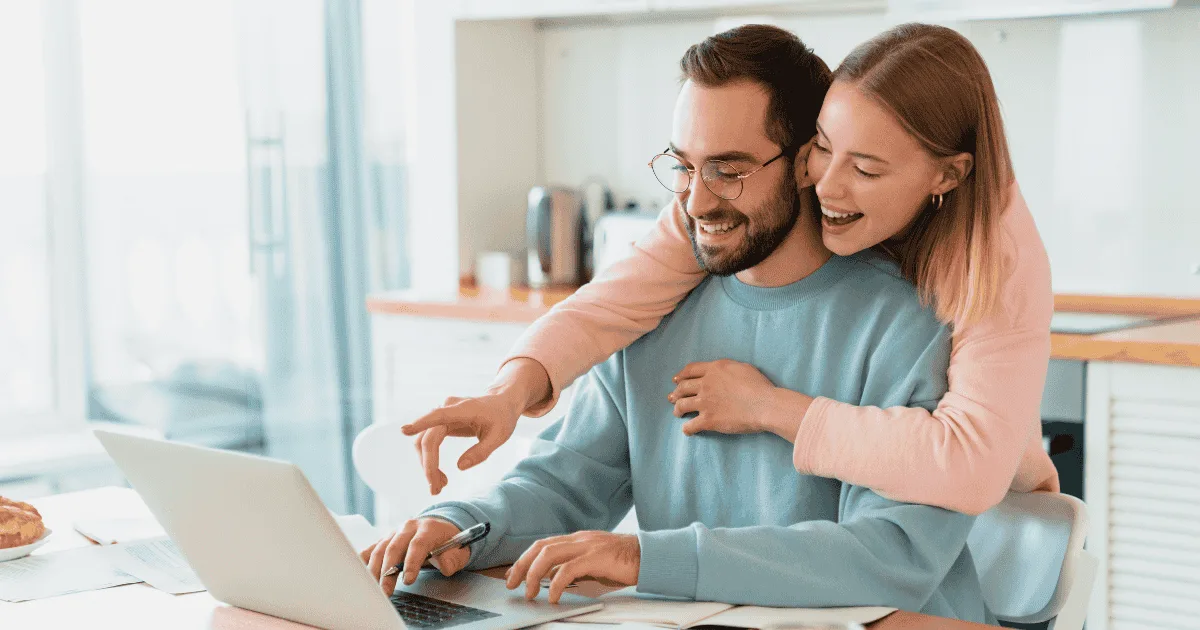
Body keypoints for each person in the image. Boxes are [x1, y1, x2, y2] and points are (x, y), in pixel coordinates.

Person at [362, 25, 993, 625]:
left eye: (729, 168)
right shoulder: (656, 307)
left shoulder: (911, 323)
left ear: (808, 161)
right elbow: (564, 482)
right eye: (684, 166)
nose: (695, 201)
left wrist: (643, 557)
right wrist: (462, 525)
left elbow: (886, 557)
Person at [402, 22, 1059, 514]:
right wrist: (508, 394)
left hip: (984, 523)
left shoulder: (994, 261)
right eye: (823, 151)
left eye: (864, 169)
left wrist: (772, 408)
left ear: (947, 174)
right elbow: (611, 303)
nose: (825, 186)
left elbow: (970, 467)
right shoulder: (731, 204)